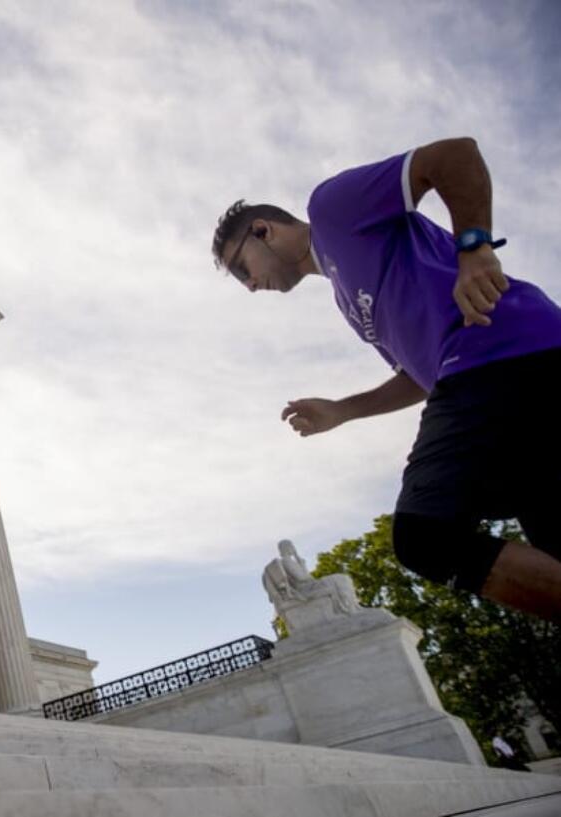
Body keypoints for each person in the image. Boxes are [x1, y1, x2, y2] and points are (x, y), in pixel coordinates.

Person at [211, 138, 561, 622]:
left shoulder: (331, 208)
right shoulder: (347, 302)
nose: (249, 286)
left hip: (497, 353)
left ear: (263, 231)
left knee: (424, 534)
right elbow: (419, 379)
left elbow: (453, 156)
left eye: (239, 269)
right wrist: (343, 409)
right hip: (501, 385)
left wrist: (475, 248)